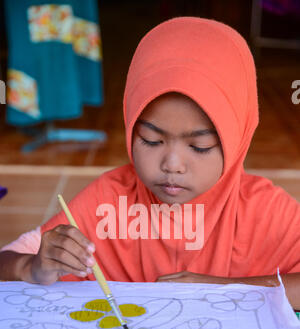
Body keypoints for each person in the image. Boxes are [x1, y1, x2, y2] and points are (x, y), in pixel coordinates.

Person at [0, 16, 300, 310]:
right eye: (151, 140)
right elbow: (7, 262)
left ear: (237, 140)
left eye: (199, 146)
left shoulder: (265, 212)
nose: (172, 164)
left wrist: (218, 290)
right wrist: (32, 267)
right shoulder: (108, 202)